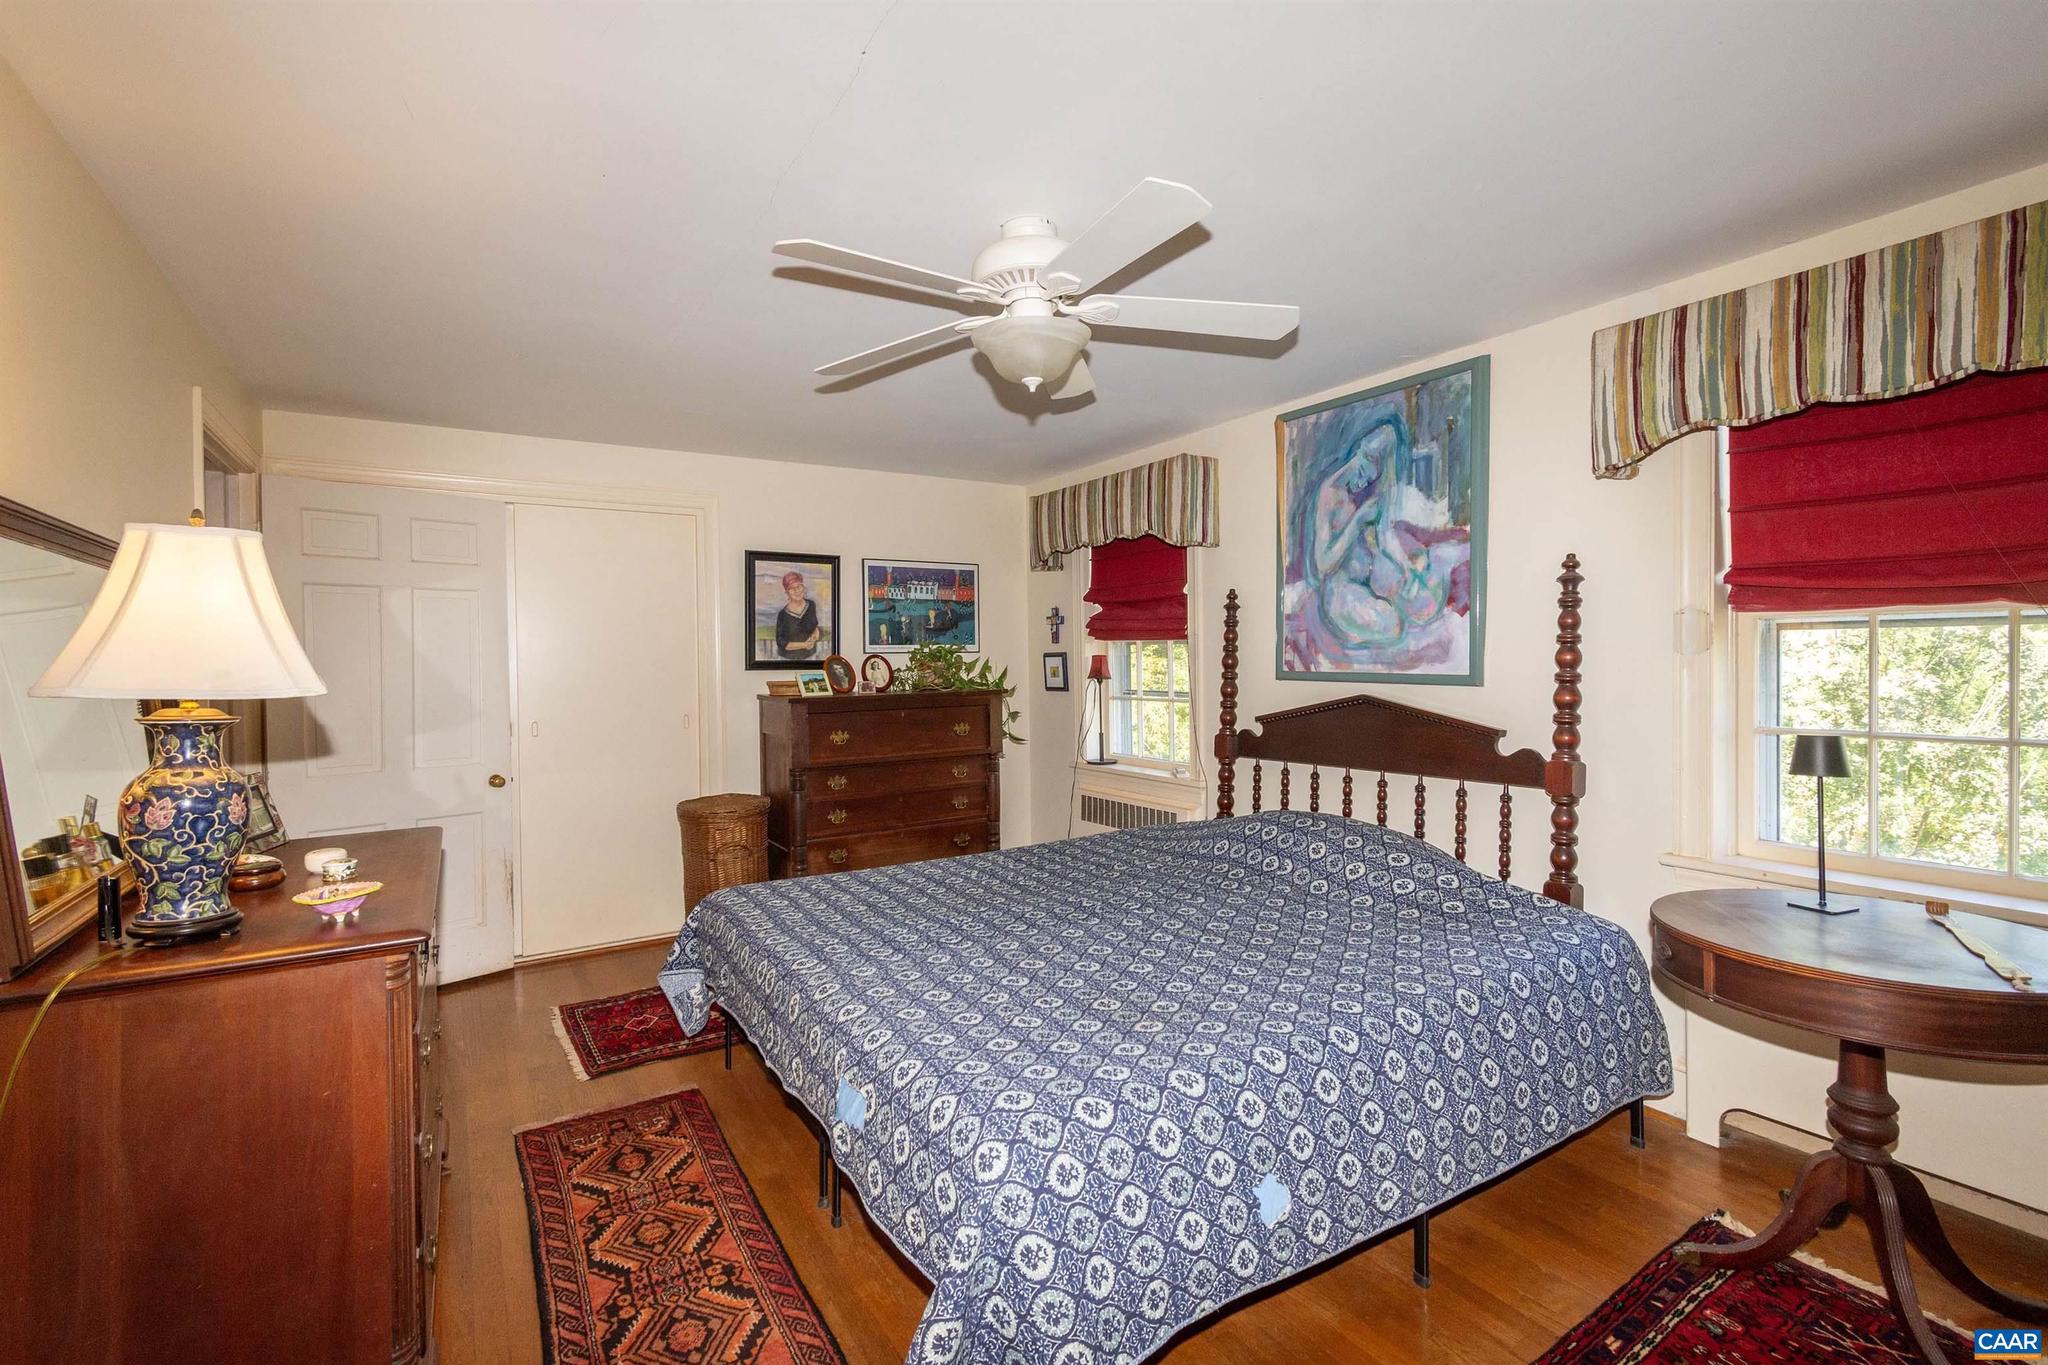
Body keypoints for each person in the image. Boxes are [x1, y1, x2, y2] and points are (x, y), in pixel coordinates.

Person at [773, 570, 822, 660]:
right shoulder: (782, 615)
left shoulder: (811, 605)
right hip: (787, 660)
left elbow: (815, 627)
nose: (796, 590)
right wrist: (804, 645)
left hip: (810, 657)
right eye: (792, 588)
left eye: (799, 586)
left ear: (803, 587)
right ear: (787, 592)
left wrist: (814, 637)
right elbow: (781, 643)